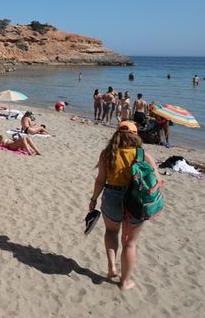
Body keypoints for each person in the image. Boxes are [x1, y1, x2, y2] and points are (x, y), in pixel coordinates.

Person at [88, 121, 161, 290]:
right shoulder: (143, 155)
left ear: (117, 134)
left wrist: (93, 199)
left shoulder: (107, 153)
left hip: (111, 196)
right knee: (130, 243)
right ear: (136, 135)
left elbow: (100, 180)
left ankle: (112, 267)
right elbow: (157, 181)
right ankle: (125, 281)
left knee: (111, 231)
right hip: (135, 201)